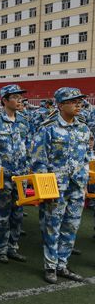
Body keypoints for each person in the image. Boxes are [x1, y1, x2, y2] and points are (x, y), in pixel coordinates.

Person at [31, 87, 91, 284]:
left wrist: (84, 185)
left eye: (79, 101)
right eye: (73, 102)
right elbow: (39, 162)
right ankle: (50, 266)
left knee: (71, 226)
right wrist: (45, 190)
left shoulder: (83, 128)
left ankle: (62, 264)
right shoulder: (47, 128)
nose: (78, 105)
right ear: (60, 105)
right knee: (52, 227)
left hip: (76, 186)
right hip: (55, 187)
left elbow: (85, 158)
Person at [0, 85, 31, 264]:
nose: (19, 100)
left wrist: (27, 167)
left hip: (20, 175)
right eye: (15, 97)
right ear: (4, 100)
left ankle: (13, 246)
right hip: (3, 176)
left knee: (18, 213)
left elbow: (28, 144)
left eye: (20, 97)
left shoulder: (24, 121)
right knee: (1, 214)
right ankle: (0, 248)